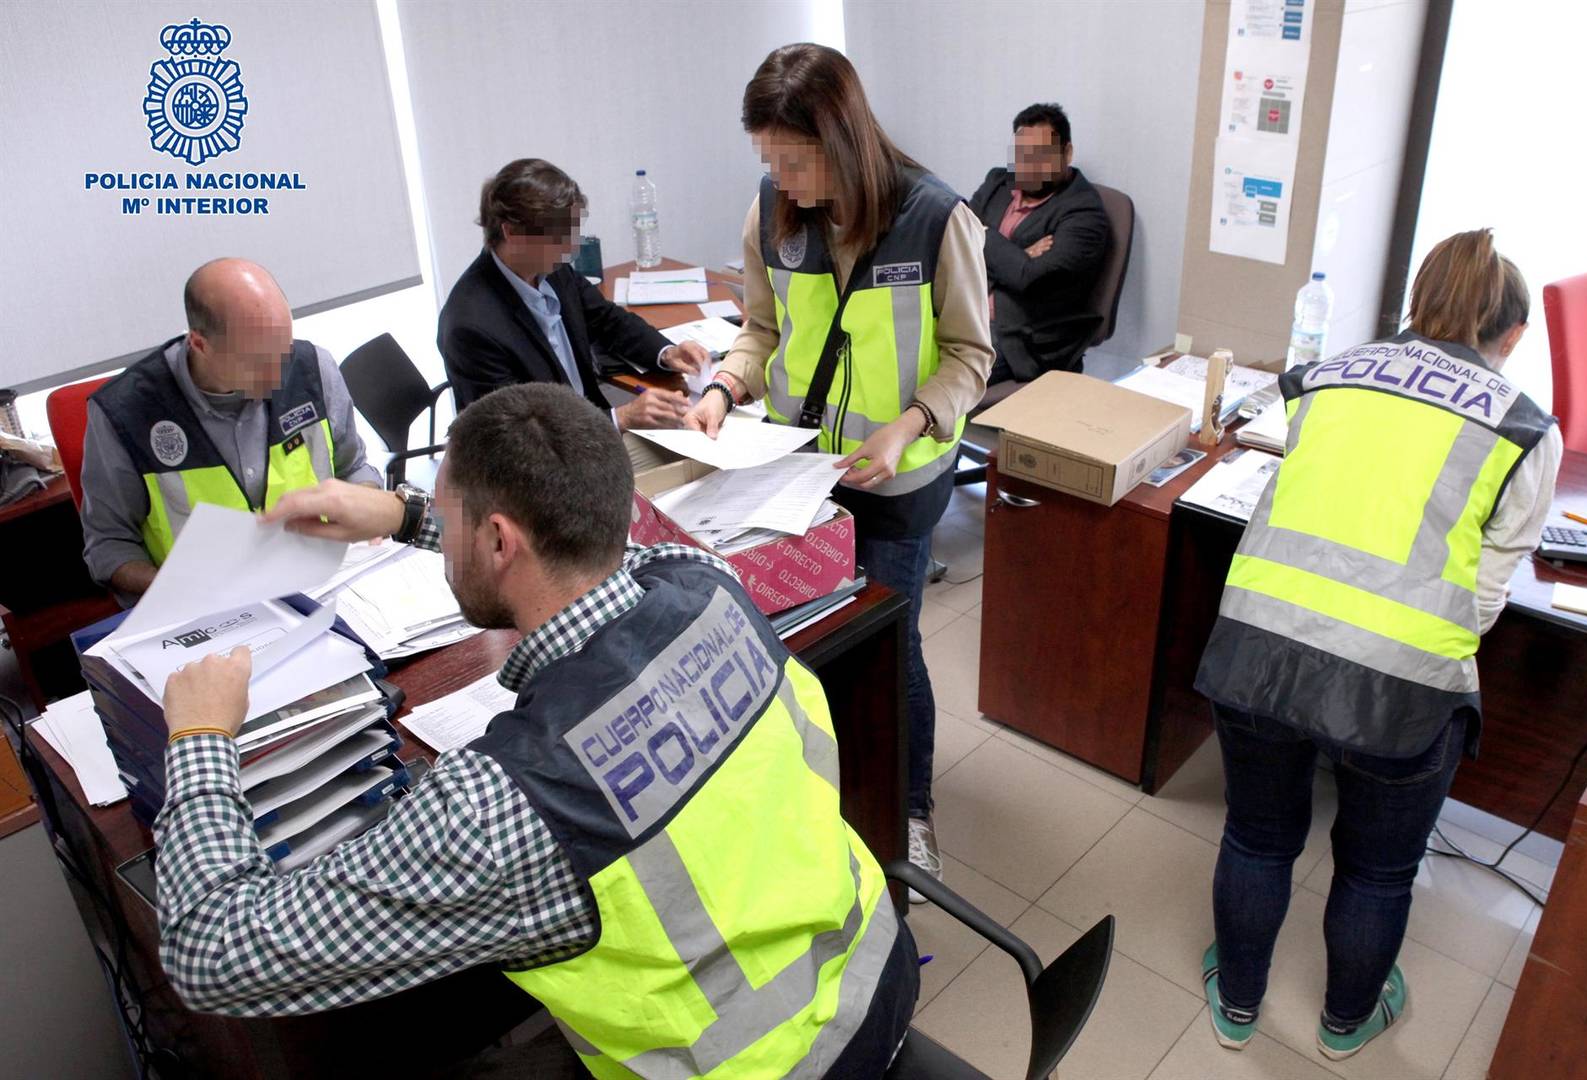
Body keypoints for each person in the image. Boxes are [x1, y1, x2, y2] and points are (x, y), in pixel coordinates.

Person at [155, 383, 919, 1078]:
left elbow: (211, 952)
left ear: (495, 542)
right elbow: (592, 550)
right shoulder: (706, 583)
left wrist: (199, 742)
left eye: (452, 519)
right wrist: (408, 515)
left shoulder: (505, 804)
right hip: (875, 969)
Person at [1193, 230, 1562, 1060]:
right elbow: (1484, 604)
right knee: (1377, 870)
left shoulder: (1329, 373)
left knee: (1257, 837)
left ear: (1417, 302)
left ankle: (1237, 1006)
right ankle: (1346, 1022)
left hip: (1258, 648)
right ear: (1509, 336)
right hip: (1403, 684)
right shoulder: (1524, 429)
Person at [684, 43, 993, 896]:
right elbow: (759, 328)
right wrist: (723, 385)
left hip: (896, 482)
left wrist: (909, 425)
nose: (782, 180)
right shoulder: (770, 215)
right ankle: (820, 800)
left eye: (795, 160)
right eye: (768, 162)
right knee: (798, 643)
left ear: (842, 139)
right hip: (793, 481)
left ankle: (910, 810)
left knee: (890, 647)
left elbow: (972, 354)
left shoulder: (936, 220)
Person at [79, 258, 380, 600]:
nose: (279, 377)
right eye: (257, 362)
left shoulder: (314, 369)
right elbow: (109, 545)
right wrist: (176, 589)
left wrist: (368, 510)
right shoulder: (126, 414)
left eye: (284, 350)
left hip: (323, 585)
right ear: (200, 345)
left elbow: (354, 468)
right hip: (208, 613)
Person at [437, 158, 708, 438]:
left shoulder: (551, 270)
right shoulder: (471, 328)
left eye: (574, 230)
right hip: (550, 466)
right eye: (559, 236)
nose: (571, 245)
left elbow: (608, 320)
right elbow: (516, 437)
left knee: (703, 438)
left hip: (594, 435)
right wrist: (621, 417)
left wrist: (666, 352)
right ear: (512, 232)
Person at [967, 102, 1110, 381]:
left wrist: (982, 235)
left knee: (932, 376)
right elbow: (955, 244)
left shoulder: (1083, 214)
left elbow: (1030, 279)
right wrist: (1017, 255)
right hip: (967, 314)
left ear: (1067, 153)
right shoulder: (998, 182)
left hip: (1021, 340)